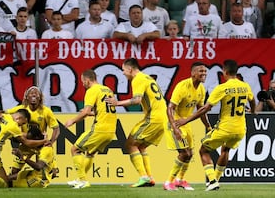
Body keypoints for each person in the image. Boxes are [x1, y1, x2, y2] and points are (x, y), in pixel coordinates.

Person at [175, 59, 256, 191]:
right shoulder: (245, 86)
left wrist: (186, 120)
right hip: (241, 129)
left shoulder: (222, 88)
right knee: (226, 150)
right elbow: (252, 101)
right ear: (236, 71)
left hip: (225, 127)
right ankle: (216, 180)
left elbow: (204, 109)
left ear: (224, 71)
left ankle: (212, 180)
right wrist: (252, 112)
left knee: (203, 150)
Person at [105, 58, 167, 187]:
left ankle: (144, 177)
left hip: (153, 118)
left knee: (130, 144)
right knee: (141, 146)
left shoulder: (137, 79)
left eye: (123, 70)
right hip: (162, 118)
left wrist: (117, 103)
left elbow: (137, 100)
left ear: (130, 69)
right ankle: (149, 177)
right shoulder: (147, 78)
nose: (123, 73)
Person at [163, 62, 212, 191]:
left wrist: (208, 127)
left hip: (185, 124)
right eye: (201, 71)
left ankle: (180, 180)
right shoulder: (182, 86)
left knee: (190, 154)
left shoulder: (201, 89)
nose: (204, 74)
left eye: (205, 71)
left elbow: (201, 111)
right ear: (193, 73)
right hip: (175, 123)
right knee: (184, 153)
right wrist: (175, 128)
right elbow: (169, 108)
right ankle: (168, 182)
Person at [64, 69, 117, 189]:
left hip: (100, 128)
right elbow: (103, 110)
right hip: (111, 130)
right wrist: (90, 114)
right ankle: (80, 179)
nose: (82, 84)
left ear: (87, 80)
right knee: (90, 153)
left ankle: (83, 180)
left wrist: (72, 120)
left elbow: (86, 111)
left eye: (83, 81)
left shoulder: (91, 90)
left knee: (75, 149)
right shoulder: (107, 89)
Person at [2, 86, 60, 175]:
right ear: (26, 97)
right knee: (14, 171)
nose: (34, 94)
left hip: (41, 144)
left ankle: (53, 166)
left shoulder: (46, 111)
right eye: (31, 93)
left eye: (36, 93)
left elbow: (56, 128)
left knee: (44, 171)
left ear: (40, 97)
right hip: (26, 144)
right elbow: (5, 113)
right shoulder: (21, 109)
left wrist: (51, 142)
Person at [9, 123, 58, 188]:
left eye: (30, 139)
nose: (28, 142)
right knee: (8, 178)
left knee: (8, 183)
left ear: (37, 138)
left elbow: (38, 166)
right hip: (33, 173)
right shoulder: (41, 142)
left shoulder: (46, 148)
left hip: (39, 180)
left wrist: (23, 157)